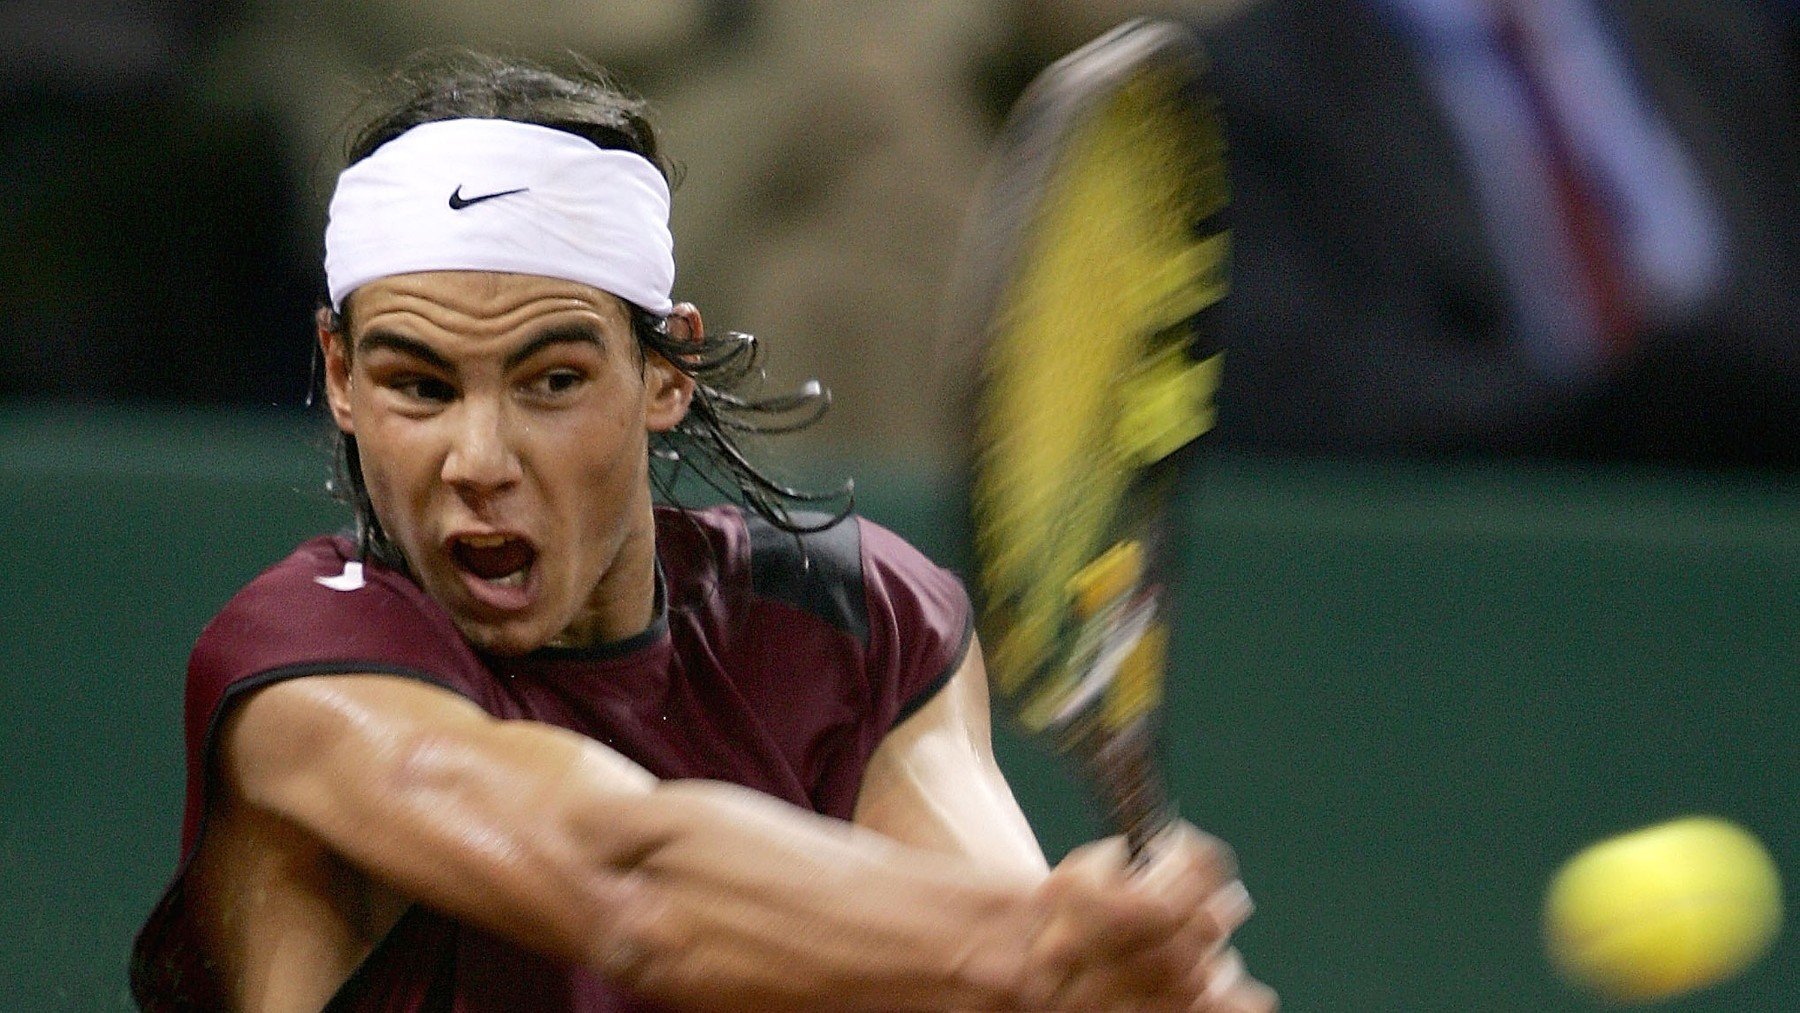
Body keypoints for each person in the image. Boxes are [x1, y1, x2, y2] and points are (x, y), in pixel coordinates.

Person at [129, 53, 1277, 1012]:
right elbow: (629, 882)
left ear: (667, 369)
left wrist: (1105, 972)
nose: (477, 459)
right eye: (419, 387)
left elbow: (990, 956)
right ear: (338, 376)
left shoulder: (847, 613)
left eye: (553, 379)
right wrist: (1049, 945)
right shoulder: (297, 673)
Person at [1198, 0, 1800, 466]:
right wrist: (1609, 425)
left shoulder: (1726, 43)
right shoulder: (1255, 84)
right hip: (1481, 563)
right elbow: (1309, 396)